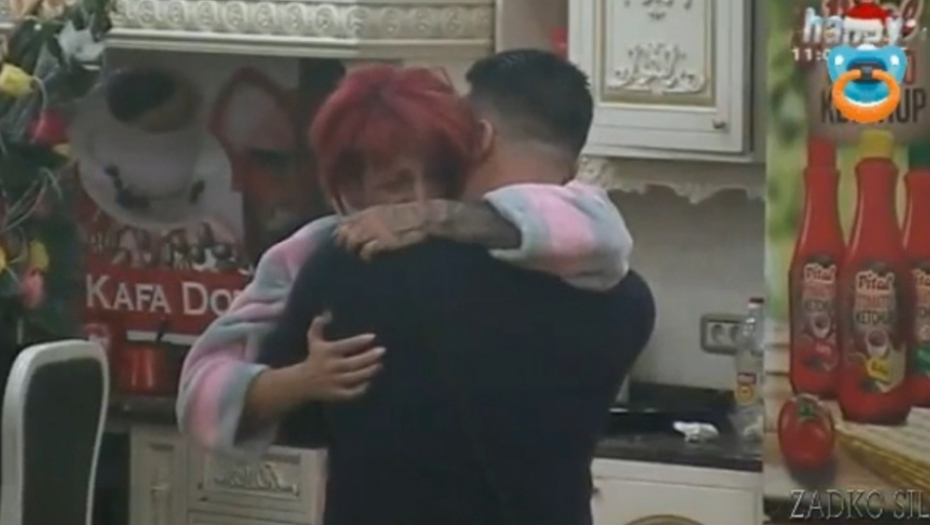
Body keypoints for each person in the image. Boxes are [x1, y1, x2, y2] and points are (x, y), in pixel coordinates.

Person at [252, 49, 656, 525]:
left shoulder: (357, 261)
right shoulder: (628, 303)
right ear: (573, 166)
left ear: (478, 138)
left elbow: (289, 419)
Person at [177, 60, 634, 455]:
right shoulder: (312, 254)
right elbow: (200, 394)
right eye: (396, 184)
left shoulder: (468, 223)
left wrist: (436, 218)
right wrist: (300, 380)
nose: (419, 197)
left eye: (437, 176)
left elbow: (602, 230)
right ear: (352, 188)